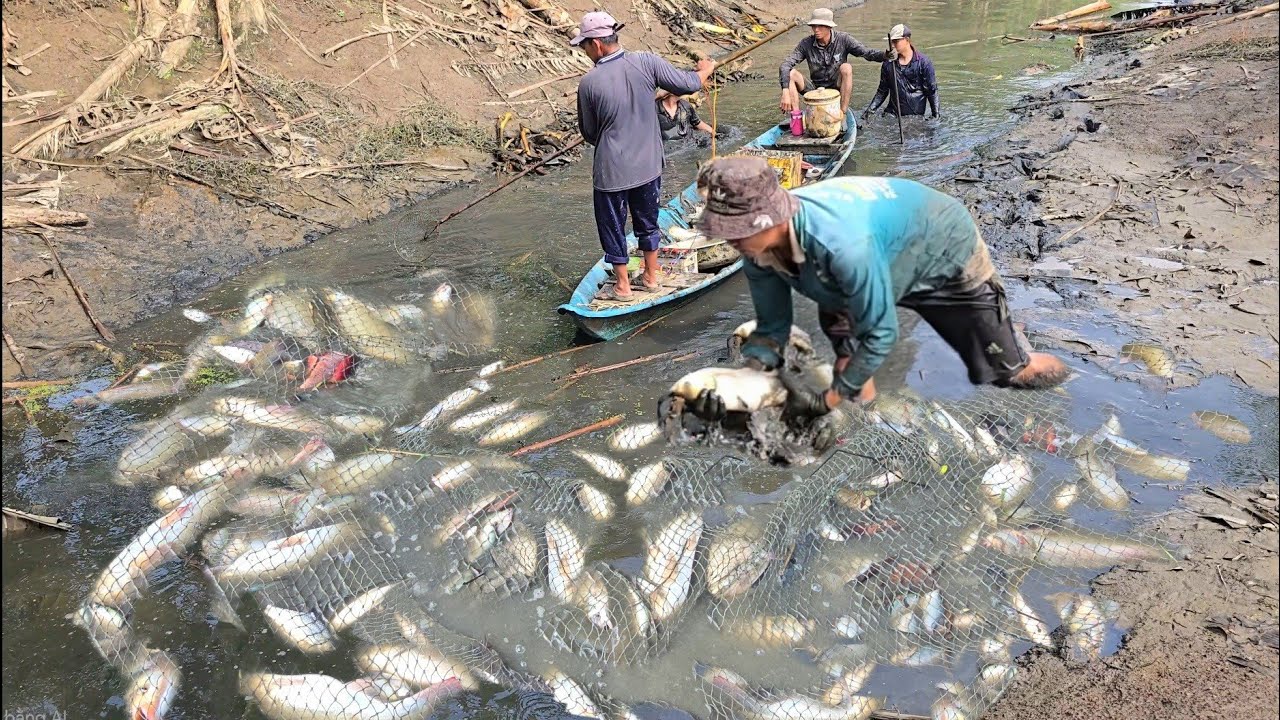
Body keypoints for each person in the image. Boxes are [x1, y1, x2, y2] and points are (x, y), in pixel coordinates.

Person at [685, 156, 1069, 425]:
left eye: (737, 231)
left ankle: (1029, 353)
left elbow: (884, 333)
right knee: (845, 351)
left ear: (771, 219)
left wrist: (827, 401)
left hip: (941, 242)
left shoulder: (842, 248)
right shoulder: (755, 249)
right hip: (871, 253)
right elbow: (772, 326)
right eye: (725, 232)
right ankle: (868, 412)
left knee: (1008, 372)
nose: (730, 242)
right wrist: (750, 373)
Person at [574, 11, 716, 299]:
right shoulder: (646, 62)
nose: (585, 52)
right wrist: (705, 69)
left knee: (613, 226)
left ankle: (623, 285)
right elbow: (689, 84)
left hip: (611, 170)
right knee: (647, 220)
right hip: (648, 165)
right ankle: (651, 277)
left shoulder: (589, 83)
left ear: (597, 45)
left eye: (585, 46)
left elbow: (589, 134)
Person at [779, 8, 888, 121]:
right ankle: (796, 118)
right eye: (814, 26)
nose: (816, 30)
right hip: (815, 91)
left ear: (829, 27)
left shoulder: (844, 39)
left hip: (837, 89)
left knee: (846, 67)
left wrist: (884, 55)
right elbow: (785, 65)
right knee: (791, 73)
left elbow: (866, 53)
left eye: (820, 26)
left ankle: (842, 113)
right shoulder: (806, 44)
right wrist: (785, 91)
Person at [862, 24, 939, 120]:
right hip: (892, 115)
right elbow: (882, 91)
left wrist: (935, 116)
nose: (893, 45)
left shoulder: (924, 63)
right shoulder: (888, 64)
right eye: (892, 42)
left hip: (915, 118)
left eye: (896, 41)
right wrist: (869, 112)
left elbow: (932, 91)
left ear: (907, 40)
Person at [656, 89, 721, 144]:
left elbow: (698, 123)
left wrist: (715, 134)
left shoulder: (685, 105)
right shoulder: (654, 108)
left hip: (688, 144)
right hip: (668, 148)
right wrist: (659, 94)